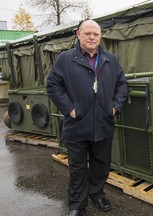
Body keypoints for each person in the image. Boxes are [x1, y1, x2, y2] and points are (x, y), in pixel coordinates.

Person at [46, 19, 128, 216]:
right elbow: (53, 85)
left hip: (103, 123)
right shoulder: (65, 59)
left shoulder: (110, 59)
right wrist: (70, 109)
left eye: (96, 34)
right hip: (77, 125)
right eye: (88, 33)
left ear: (100, 37)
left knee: (101, 164)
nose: (92, 37)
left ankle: (97, 194)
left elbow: (122, 85)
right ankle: (76, 205)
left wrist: (114, 107)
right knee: (78, 168)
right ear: (78, 34)